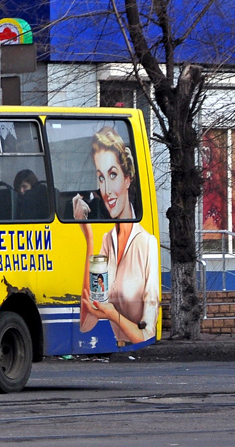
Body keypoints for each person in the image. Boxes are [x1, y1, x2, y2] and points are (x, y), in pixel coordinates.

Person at [72, 126, 159, 346]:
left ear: (128, 178)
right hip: (118, 354)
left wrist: (111, 314)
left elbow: (148, 334)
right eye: (101, 178)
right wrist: (88, 237)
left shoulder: (147, 243)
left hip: (137, 361)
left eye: (113, 175)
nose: (107, 189)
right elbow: (86, 322)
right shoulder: (106, 241)